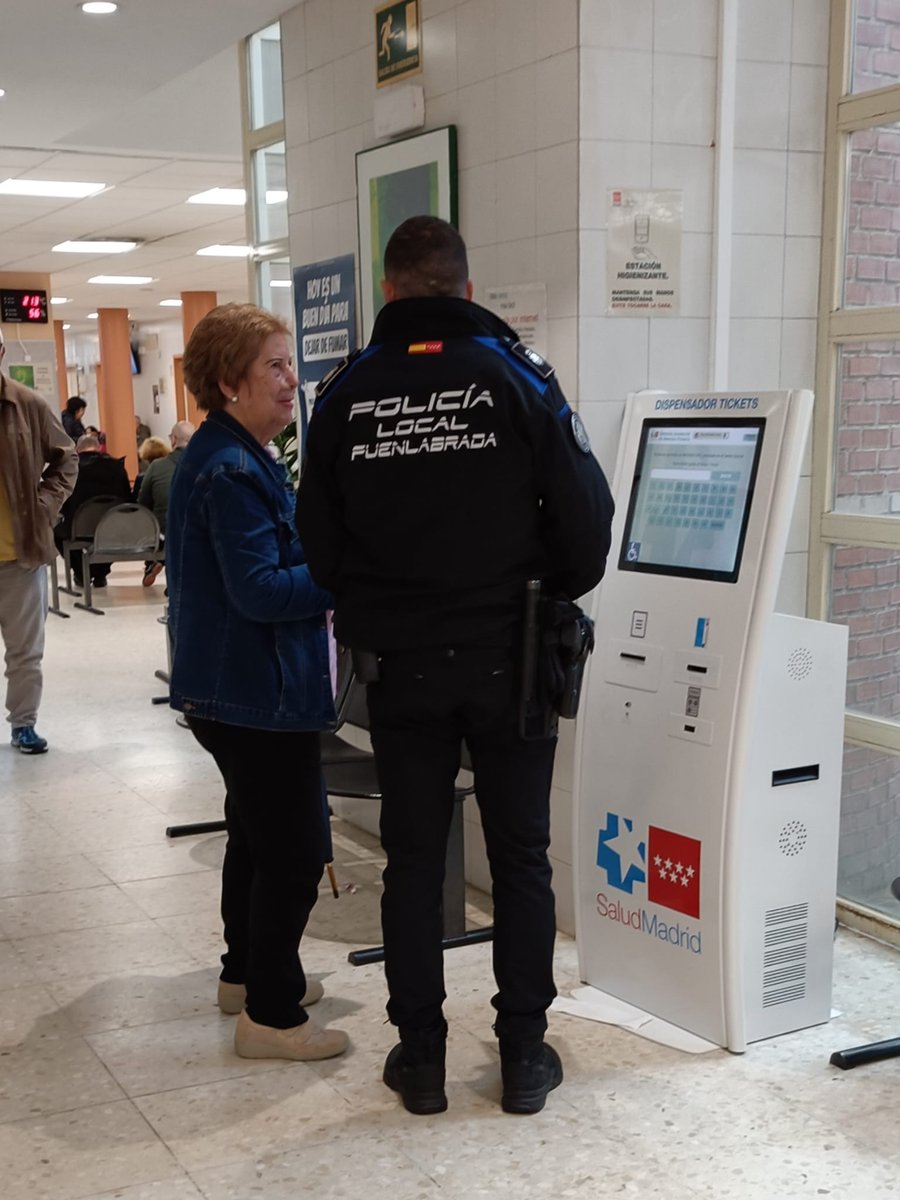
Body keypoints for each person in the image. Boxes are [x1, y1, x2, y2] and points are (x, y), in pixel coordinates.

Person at [297, 216, 615, 1115]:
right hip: (511, 661)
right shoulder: (519, 379)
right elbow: (588, 536)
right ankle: (522, 1057)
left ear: (389, 292)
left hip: (399, 669)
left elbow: (316, 547)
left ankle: (422, 1060)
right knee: (519, 856)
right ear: (466, 290)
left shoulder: (347, 393)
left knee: (410, 857)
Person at [167, 302, 348, 1063]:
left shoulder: (232, 453)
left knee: (254, 834)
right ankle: (270, 1018)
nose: (289, 379)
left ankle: (246, 974)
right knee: (296, 852)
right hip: (256, 694)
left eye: (288, 362)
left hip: (233, 690)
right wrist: (344, 577)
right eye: (272, 365)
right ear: (226, 382)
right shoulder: (233, 469)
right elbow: (264, 591)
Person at [0, 328, 77, 753]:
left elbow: (67, 458)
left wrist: (45, 507)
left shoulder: (26, 403)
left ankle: (23, 724)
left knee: (25, 652)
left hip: (20, 555)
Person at [55, 434, 132, 588]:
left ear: (77, 450)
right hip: (113, 527)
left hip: (79, 527)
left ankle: (80, 572)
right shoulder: (117, 467)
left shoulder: (72, 469)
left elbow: (63, 501)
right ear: (98, 448)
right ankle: (101, 572)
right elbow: (126, 497)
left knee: (58, 533)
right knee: (104, 533)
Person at [137, 420, 194, 586]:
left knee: (165, 528)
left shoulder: (156, 466)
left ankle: (158, 564)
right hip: (197, 528)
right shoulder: (205, 464)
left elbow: (143, 502)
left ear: (174, 440)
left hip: (163, 531)